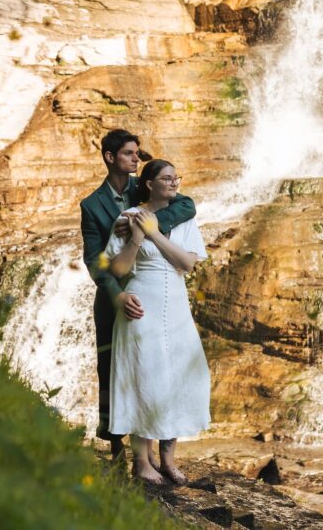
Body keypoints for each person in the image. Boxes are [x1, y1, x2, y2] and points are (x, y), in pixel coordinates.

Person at [79, 130, 196, 465]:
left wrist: (145, 223)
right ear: (110, 157)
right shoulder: (91, 205)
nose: (136, 158)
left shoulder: (145, 187)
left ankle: (157, 449)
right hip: (114, 295)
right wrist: (116, 296)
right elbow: (96, 259)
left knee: (158, 367)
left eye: (137, 153)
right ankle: (116, 447)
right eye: (129, 153)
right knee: (113, 368)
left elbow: (187, 204)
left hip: (155, 293)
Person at [105, 159, 210, 485]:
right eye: (166, 178)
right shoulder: (127, 219)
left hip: (177, 308)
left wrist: (154, 234)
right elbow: (118, 270)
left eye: (176, 177)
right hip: (142, 307)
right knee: (145, 378)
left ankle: (168, 460)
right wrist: (137, 238)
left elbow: (187, 264)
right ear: (149, 183)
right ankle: (141, 462)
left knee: (177, 379)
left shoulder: (185, 218)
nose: (174, 182)